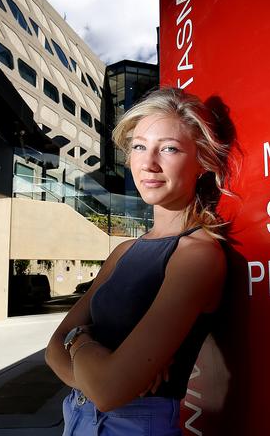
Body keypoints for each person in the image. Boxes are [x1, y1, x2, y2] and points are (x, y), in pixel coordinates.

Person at [45, 87, 236, 435]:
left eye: (169, 148)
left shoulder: (196, 255)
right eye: (139, 146)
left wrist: (80, 340)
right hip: (76, 418)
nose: (148, 163)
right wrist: (99, 369)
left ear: (204, 162)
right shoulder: (124, 250)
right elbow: (53, 349)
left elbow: (108, 388)